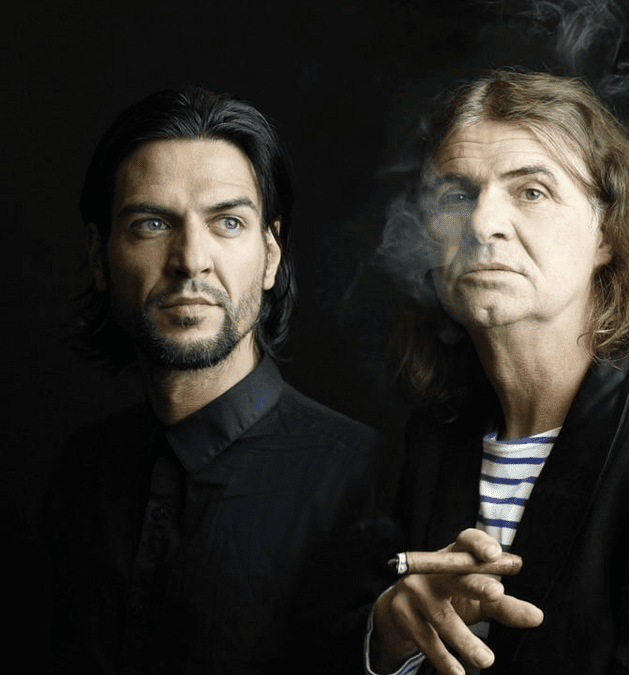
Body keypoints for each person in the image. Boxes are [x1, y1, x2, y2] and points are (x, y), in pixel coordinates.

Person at [365, 69, 629, 675]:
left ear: (607, 234)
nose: (483, 223)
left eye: (531, 192)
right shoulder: (430, 439)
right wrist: (387, 640)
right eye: (456, 195)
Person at [43, 87, 383, 674]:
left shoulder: (364, 477)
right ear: (99, 257)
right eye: (151, 223)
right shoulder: (81, 469)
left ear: (270, 256)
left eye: (227, 222)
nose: (191, 259)